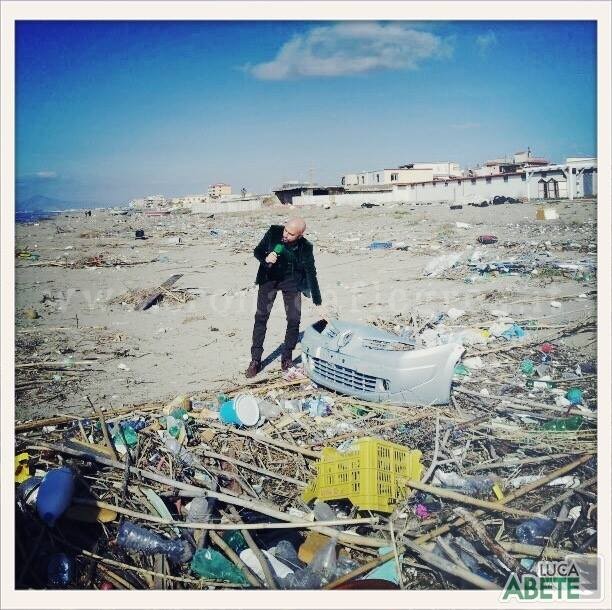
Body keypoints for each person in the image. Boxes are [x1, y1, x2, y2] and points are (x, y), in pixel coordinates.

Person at [245, 218, 323, 378]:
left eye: (291, 234)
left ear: (300, 235)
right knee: (261, 317)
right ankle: (255, 360)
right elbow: (257, 251)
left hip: (292, 282)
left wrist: (317, 298)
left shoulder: (306, 247)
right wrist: (266, 258)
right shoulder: (274, 231)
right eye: (285, 230)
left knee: (294, 319)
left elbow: (311, 271)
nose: (286, 235)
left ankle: (286, 359)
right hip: (269, 279)